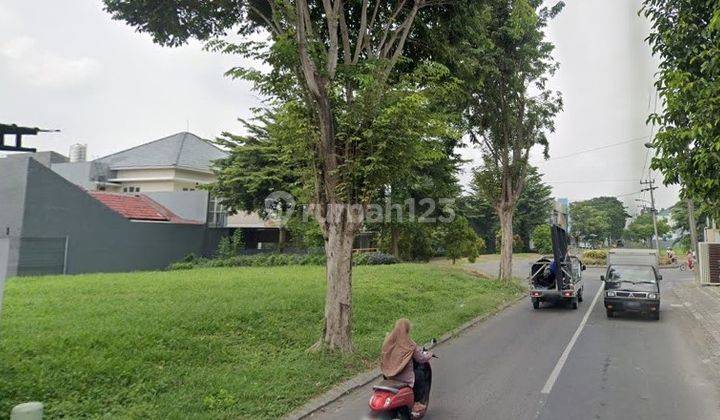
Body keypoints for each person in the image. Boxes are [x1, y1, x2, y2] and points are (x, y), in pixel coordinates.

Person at [380, 319, 433, 414]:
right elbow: (421, 358)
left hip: (388, 375)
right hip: (404, 379)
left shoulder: (387, 341)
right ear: (407, 330)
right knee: (420, 375)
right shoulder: (409, 344)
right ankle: (416, 403)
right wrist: (430, 354)